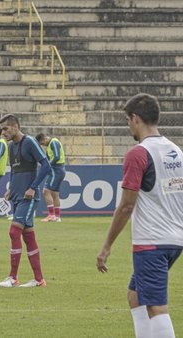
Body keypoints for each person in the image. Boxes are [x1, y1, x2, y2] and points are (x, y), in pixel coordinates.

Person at [97, 93, 183, 338]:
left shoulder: (138, 153)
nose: (128, 125)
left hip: (151, 242)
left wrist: (106, 246)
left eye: (127, 120)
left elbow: (126, 205)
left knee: (157, 307)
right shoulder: (175, 150)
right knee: (135, 296)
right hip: (173, 239)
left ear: (135, 119)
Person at [0, 114, 49, 288]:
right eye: (1, 129)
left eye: (6, 128)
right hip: (17, 196)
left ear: (16, 126)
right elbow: (14, 170)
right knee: (28, 236)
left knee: (14, 232)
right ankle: (39, 279)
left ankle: (13, 277)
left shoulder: (30, 142)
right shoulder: (10, 146)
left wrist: (33, 187)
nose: (3, 132)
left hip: (29, 197)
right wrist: (11, 189)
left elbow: (46, 165)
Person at [35, 133, 66, 222]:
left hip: (56, 170)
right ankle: (57, 217)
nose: (43, 145)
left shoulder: (53, 142)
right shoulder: (50, 145)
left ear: (44, 138)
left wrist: (48, 165)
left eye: (42, 143)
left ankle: (51, 215)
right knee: (55, 194)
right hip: (59, 170)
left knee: (46, 191)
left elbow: (56, 157)